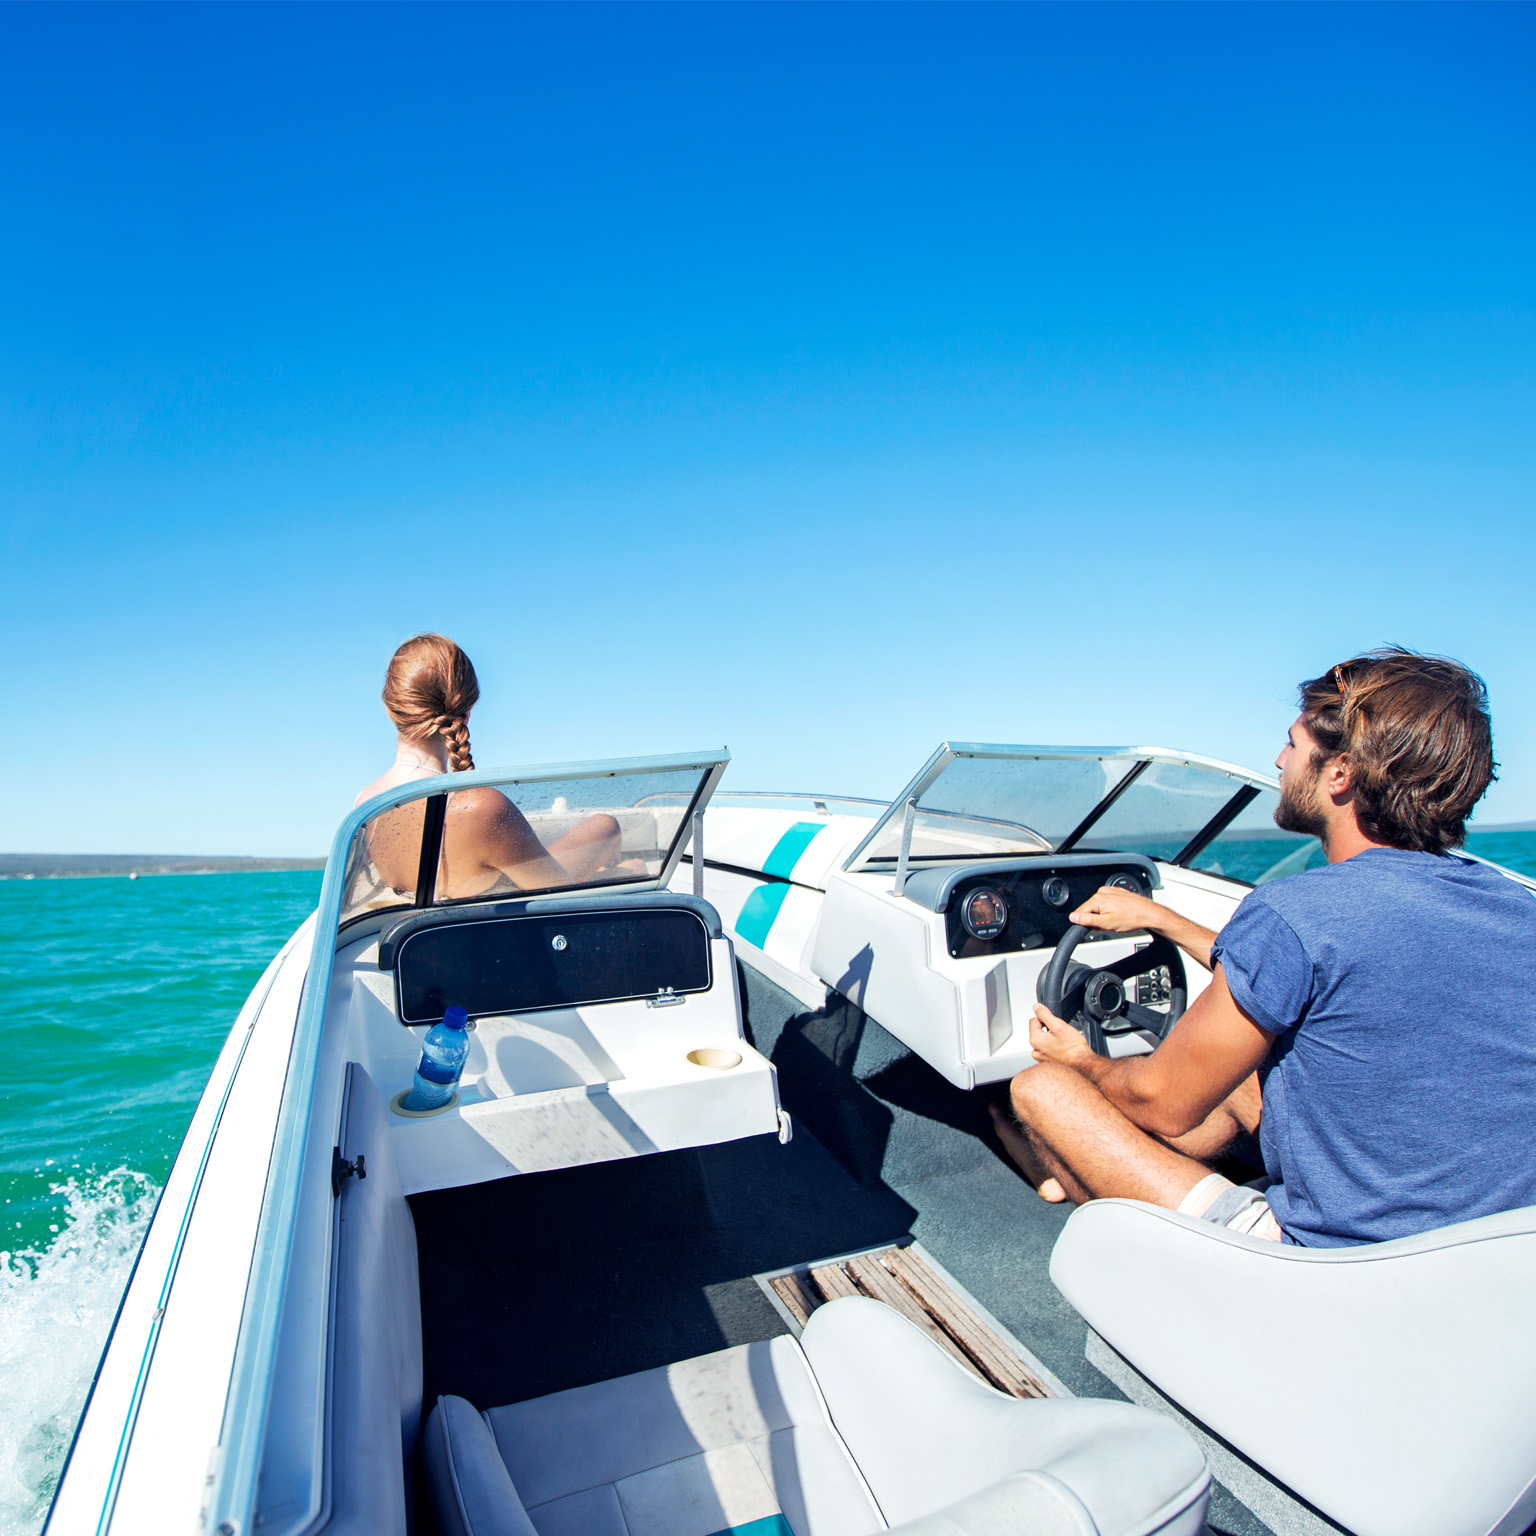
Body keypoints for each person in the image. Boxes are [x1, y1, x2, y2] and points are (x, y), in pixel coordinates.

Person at [991, 648, 1536, 1248]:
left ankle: (1108, 1224)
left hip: (1332, 1264)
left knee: (1040, 1090)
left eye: (1293, 745)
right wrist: (1163, 921)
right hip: (1495, 1255)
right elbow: (1304, 973)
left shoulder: (1295, 912)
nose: (1279, 760)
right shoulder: (1518, 910)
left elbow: (1162, 1102)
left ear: (1341, 773)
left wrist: (1083, 1062)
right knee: (1249, 1077)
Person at [355, 633, 632, 900]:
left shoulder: (366, 805)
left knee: (603, 826)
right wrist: (626, 875)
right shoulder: (479, 807)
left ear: (390, 709)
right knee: (608, 829)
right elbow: (562, 898)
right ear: (468, 708)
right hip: (511, 923)